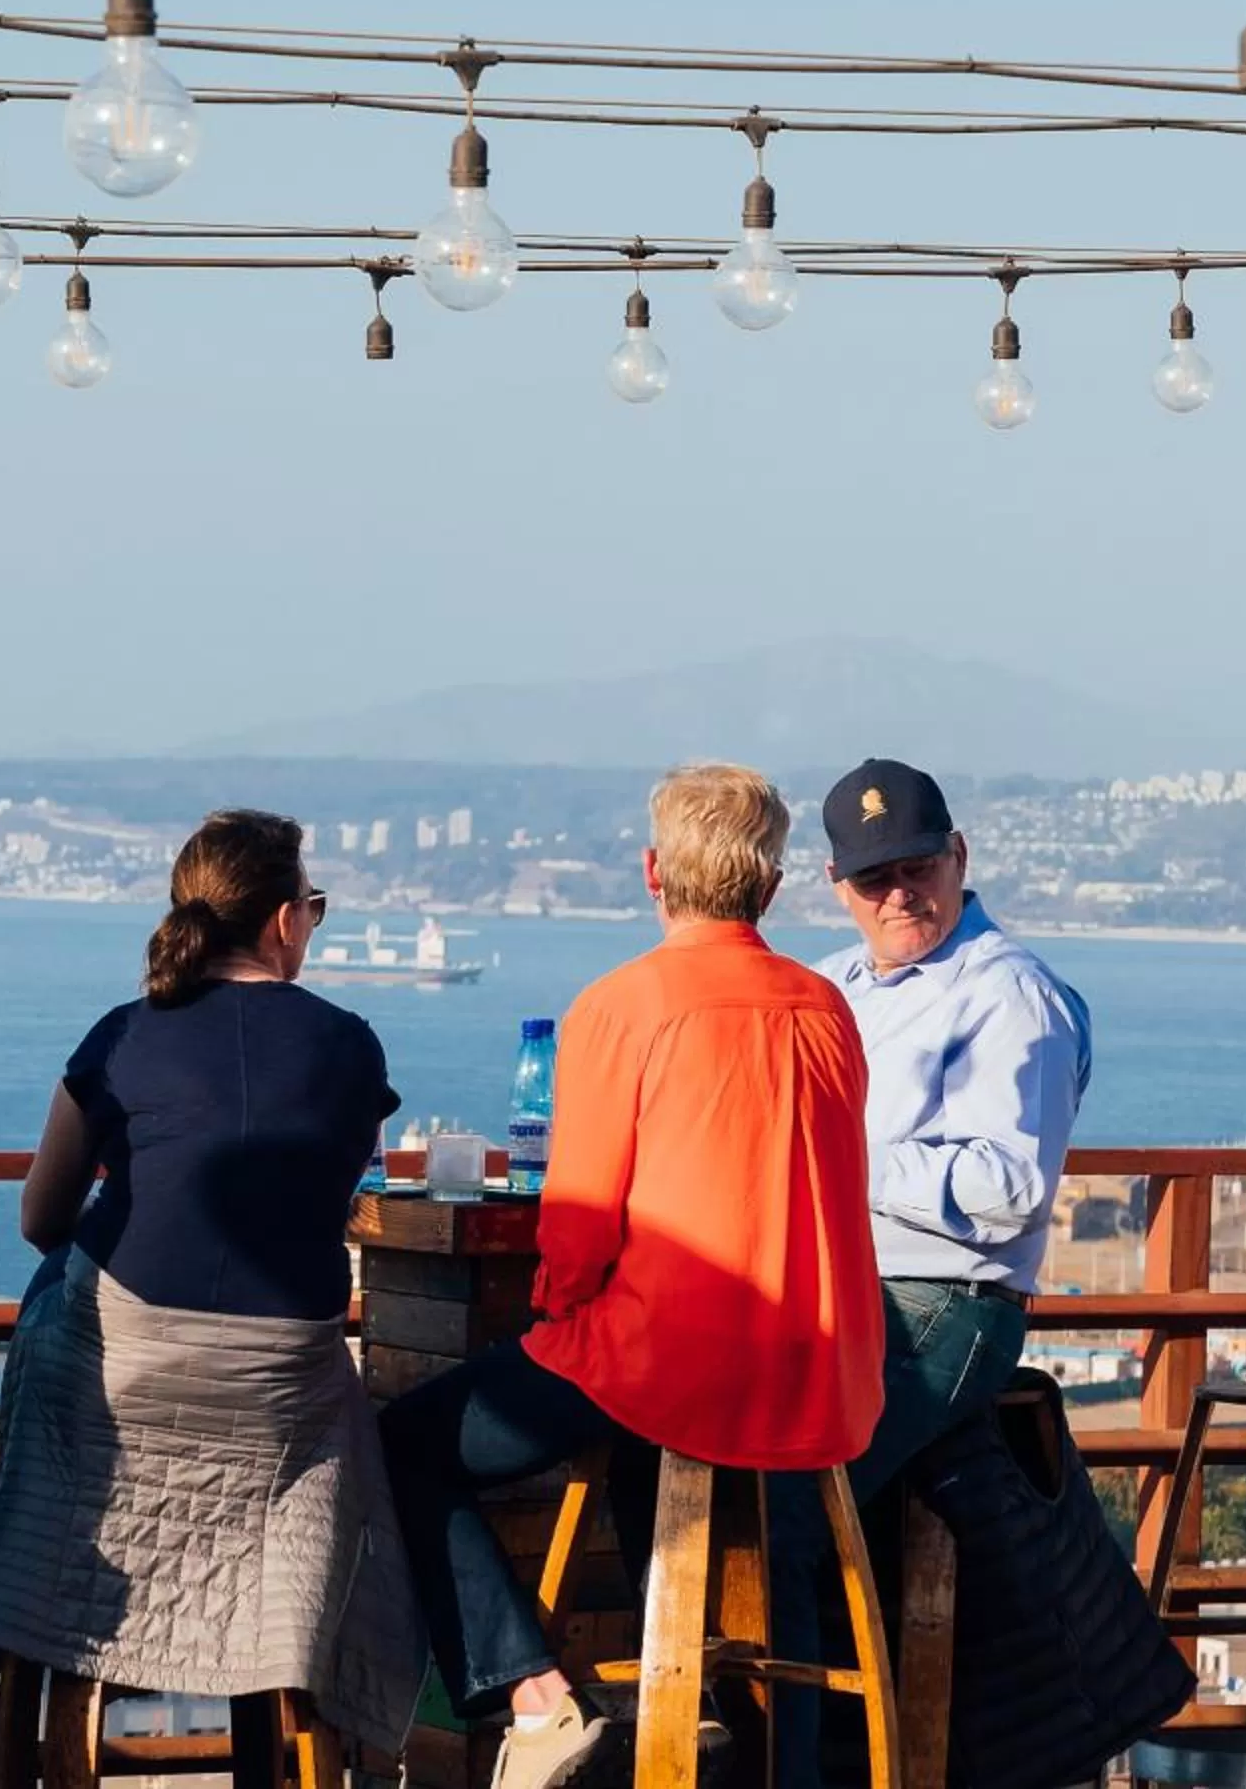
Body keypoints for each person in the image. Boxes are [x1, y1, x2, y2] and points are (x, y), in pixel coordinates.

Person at [378, 763, 885, 1789]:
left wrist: (558, 1312)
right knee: (710, 1492)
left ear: (655, 872)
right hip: (818, 1373)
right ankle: (738, 1744)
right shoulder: (826, 1007)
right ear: (772, 886)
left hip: (669, 1363)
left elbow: (579, 1226)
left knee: (399, 1443)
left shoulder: (622, 1007)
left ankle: (537, 1696)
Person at [0, 809, 424, 1752]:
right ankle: (298, 1707)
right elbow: (324, 1198)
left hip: (119, 1397)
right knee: (340, 1407)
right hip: (276, 1401)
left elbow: (39, 1219)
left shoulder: (123, 1035)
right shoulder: (351, 1047)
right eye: (314, 907)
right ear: (285, 920)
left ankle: (39, 1696)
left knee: (58, 1295)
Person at [765, 756, 1093, 1779]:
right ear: (839, 885)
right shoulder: (830, 984)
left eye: (916, 866)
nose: (899, 893)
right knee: (705, 1470)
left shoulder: (1011, 998)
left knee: (784, 1511)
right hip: (837, 1298)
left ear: (959, 855)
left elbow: (1009, 1186)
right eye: (874, 878)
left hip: (947, 1304)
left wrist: (840, 1155)